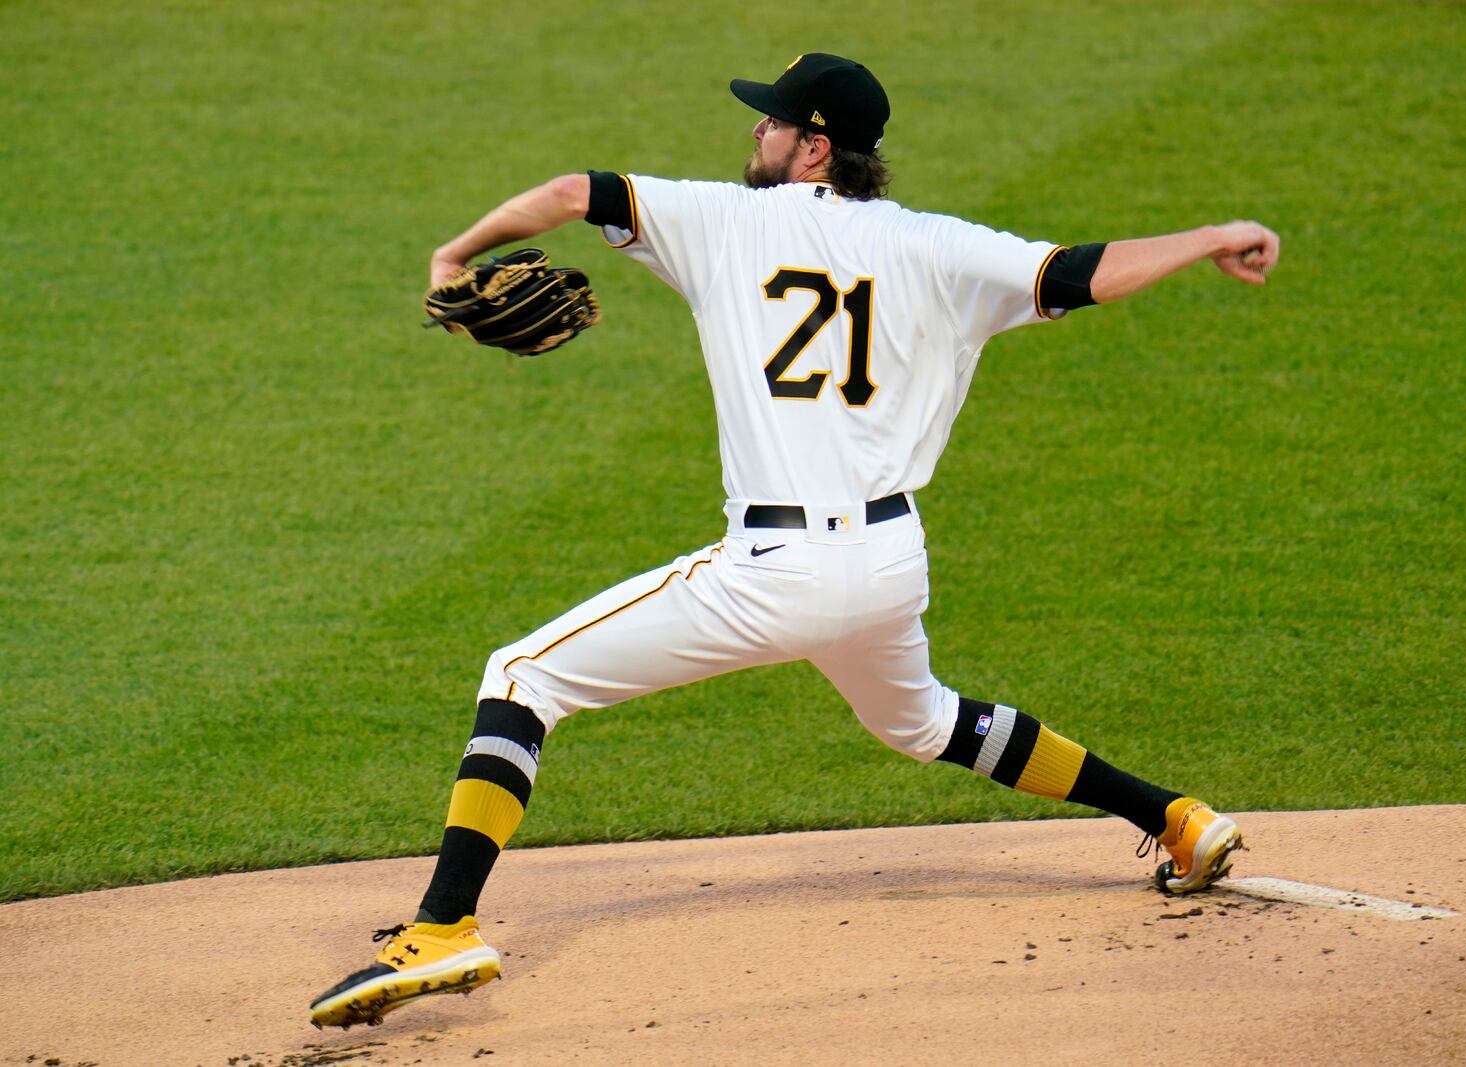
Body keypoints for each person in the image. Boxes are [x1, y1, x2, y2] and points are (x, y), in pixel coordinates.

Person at [310, 52, 1278, 1030]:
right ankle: (1175, 819)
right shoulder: (935, 244)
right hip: (891, 562)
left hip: (777, 570)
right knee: (925, 723)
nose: (754, 137)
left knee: (522, 675)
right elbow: (1074, 274)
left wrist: (451, 256)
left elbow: (573, 192)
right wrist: (1208, 236)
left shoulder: (726, 222)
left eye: (770, 124)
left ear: (814, 147)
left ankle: (443, 924)